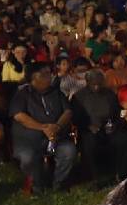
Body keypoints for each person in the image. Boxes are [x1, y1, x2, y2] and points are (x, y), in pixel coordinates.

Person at [9, 65, 76, 193]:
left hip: (56, 136)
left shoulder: (56, 92)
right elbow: (19, 115)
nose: (50, 76)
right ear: (35, 77)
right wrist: (42, 127)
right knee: (27, 158)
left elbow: (68, 111)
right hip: (29, 139)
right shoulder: (23, 94)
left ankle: (59, 183)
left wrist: (57, 127)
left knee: (69, 151)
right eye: (45, 74)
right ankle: (37, 185)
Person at [72, 69, 127, 185]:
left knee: (123, 140)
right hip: (89, 129)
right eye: (93, 84)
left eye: (99, 84)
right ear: (87, 82)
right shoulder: (79, 97)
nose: (96, 87)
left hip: (109, 128)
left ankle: (122, 175)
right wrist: (89, 126)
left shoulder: (109, 94)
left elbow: (118, 113)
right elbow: (76, 118)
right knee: (90, 143)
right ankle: (95, 177)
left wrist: (115, 125)